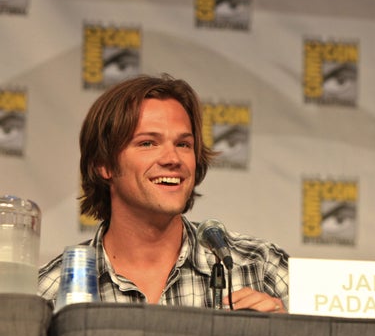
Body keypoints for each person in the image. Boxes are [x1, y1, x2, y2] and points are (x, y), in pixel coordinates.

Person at [38, 74, 288, 312]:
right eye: (148, 143)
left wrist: (286, 333)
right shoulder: (49, 293)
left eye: (183, 144)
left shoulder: (260, 267)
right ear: (104, 164)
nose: (173, 158)